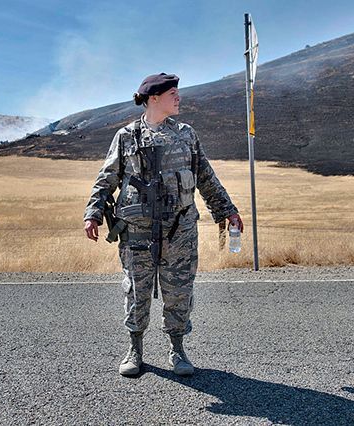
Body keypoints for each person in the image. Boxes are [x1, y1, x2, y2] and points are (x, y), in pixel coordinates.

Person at [83, 73, 243, 377]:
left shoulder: (186, 135)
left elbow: (206, 179)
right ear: (153, 98)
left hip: (180, 232)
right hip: (137, 234)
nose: (179, 97)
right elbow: (107, 178)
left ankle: (177, 348)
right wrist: (92, 213)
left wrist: (228, 211)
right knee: (136, 291)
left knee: (179, 291)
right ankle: (135, 349)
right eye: (173, 93)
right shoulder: (127, 136)